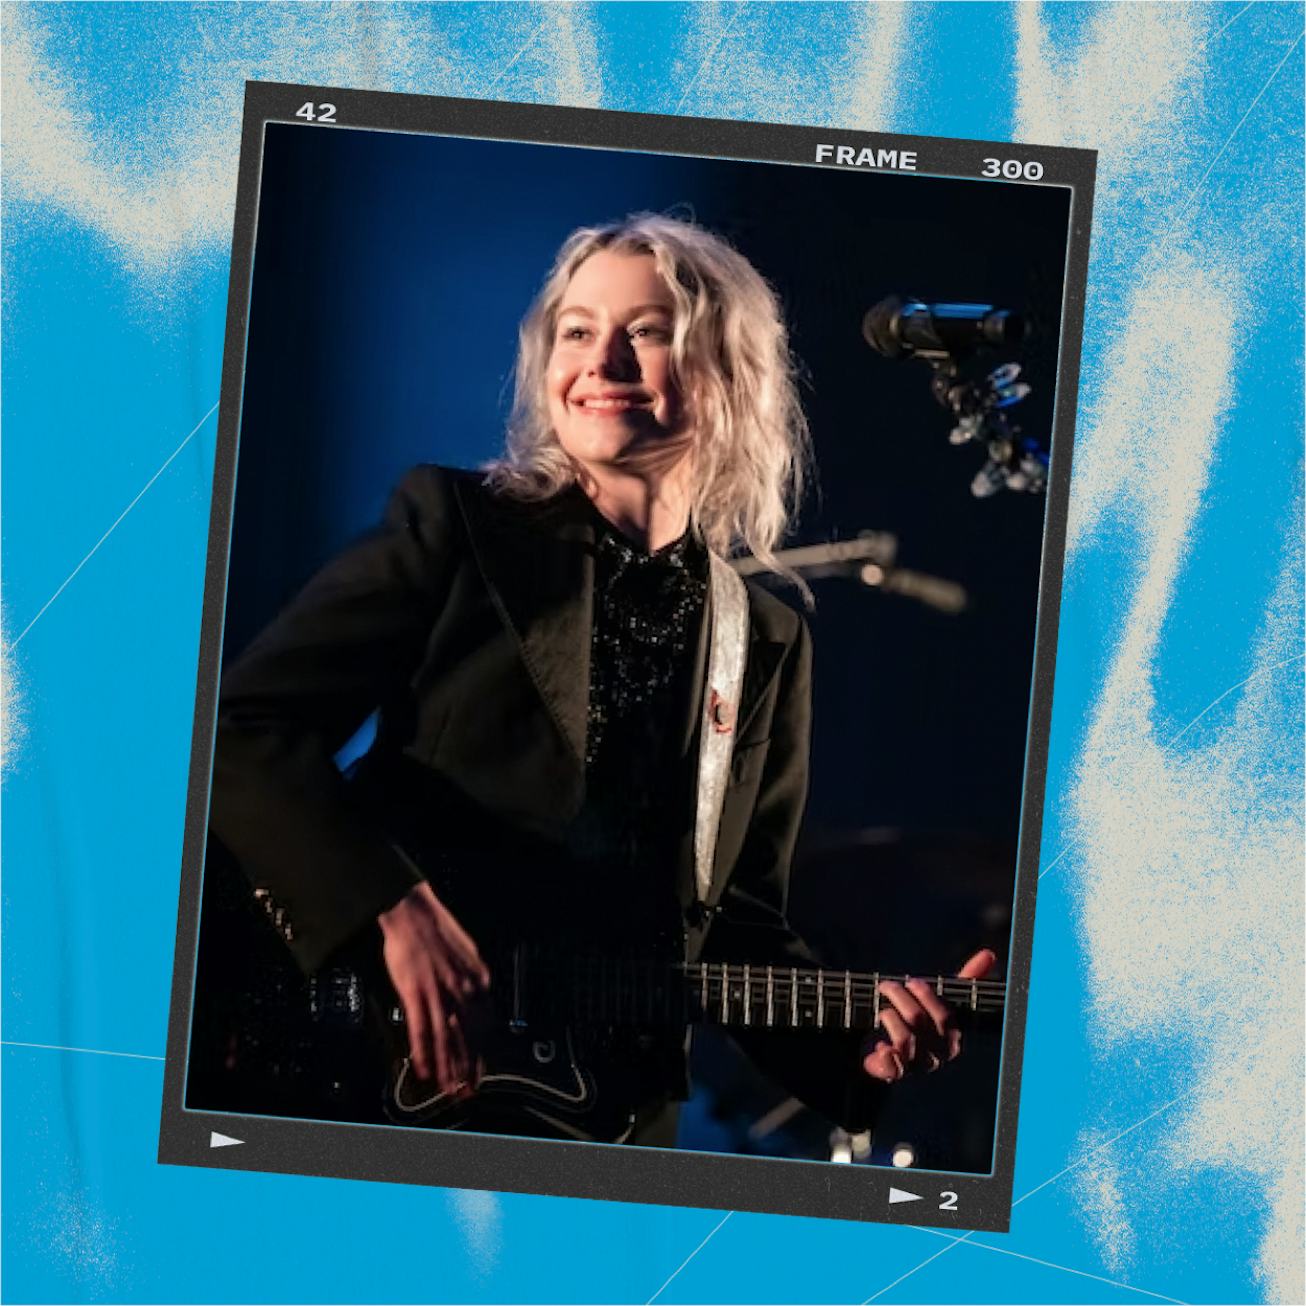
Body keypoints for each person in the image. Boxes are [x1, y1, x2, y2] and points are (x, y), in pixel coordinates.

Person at [208, 212, 994, 1148]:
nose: (601, 359)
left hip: (604, 1124)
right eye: (578, 330)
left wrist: (854, 1056)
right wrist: (394, 906)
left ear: (727, 372)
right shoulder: (459, 529)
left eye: (648, 332)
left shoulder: (766, 637)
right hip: (365, 1064)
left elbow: (731, 931)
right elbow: (244, 730)